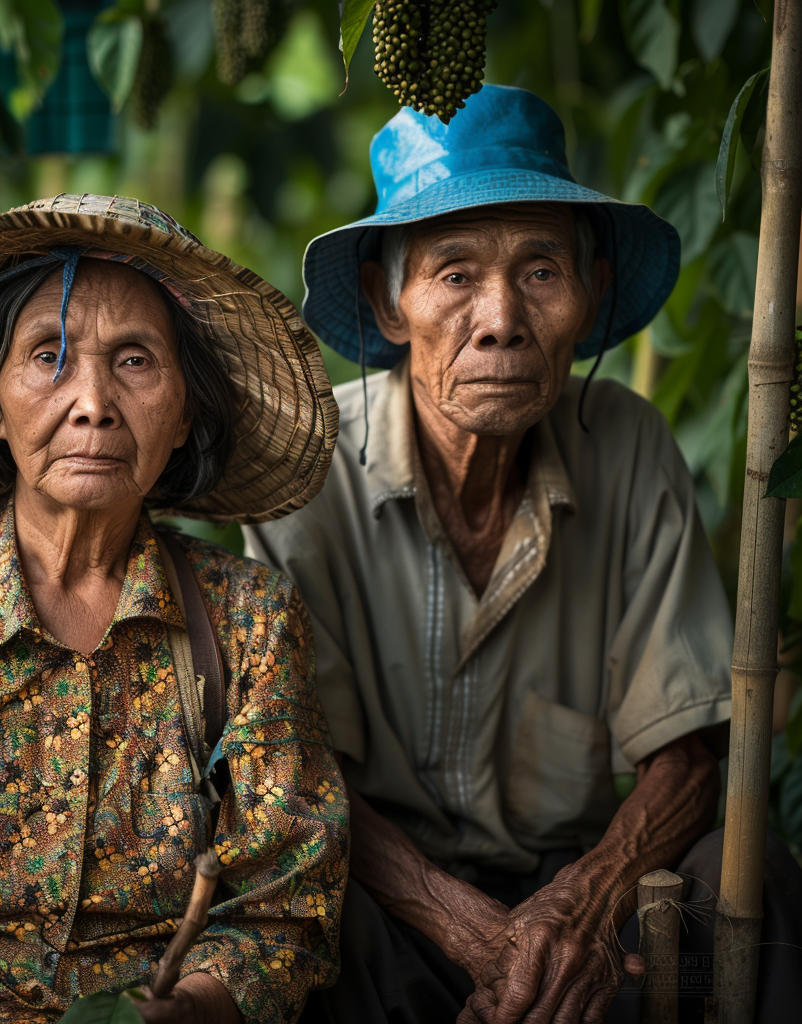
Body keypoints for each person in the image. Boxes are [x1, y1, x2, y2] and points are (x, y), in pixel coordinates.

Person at [243, 86, 802, 1022]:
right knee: (299, 916)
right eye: (455, 273)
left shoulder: (626, 445)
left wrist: (579, 911)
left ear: (587, 298)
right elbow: (297, 776)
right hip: (384, 893)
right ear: (388, 300)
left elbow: (691, 759)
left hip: (582, 892)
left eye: (541, 271)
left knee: (751, 873)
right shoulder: (306, 472)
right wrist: (483, 940)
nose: (500, 318)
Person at [0, 195, 348, 1024]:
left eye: (136, 362)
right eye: (48, 356)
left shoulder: (249, 621)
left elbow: (288, 911)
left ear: (186, 414)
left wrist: (183, 1011)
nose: (91, 403)